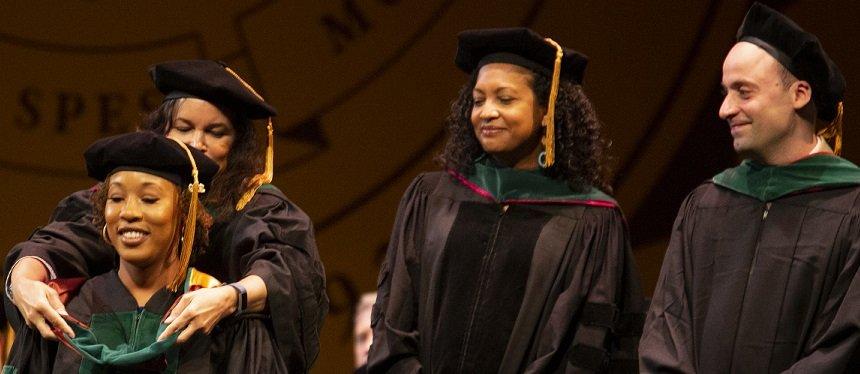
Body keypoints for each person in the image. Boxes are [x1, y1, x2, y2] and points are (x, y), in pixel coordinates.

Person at [4, 60, 327, 372]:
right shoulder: (112, 202)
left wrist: (231, 299)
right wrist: (23, 281)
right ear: (162, 132)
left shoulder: (257, 208)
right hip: (111, 327)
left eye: (216, 132)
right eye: (183, 127)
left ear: (237, 145)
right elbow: (60, 242)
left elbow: (289, 272)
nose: (196, 143)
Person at [368, 27, 645, 373]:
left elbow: (589, 345)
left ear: (547, 110)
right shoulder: (431, 197)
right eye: (478, 100)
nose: (486, 112)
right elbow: (394, 318)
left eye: (505, 99)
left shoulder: (592, 219)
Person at [639, 3, 859, 373]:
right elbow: (666, 328)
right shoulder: (706, 204)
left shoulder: (851, 206)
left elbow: (846, 345)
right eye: (725, 92)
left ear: (800, 94)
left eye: (743, 91)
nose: (725, 109)